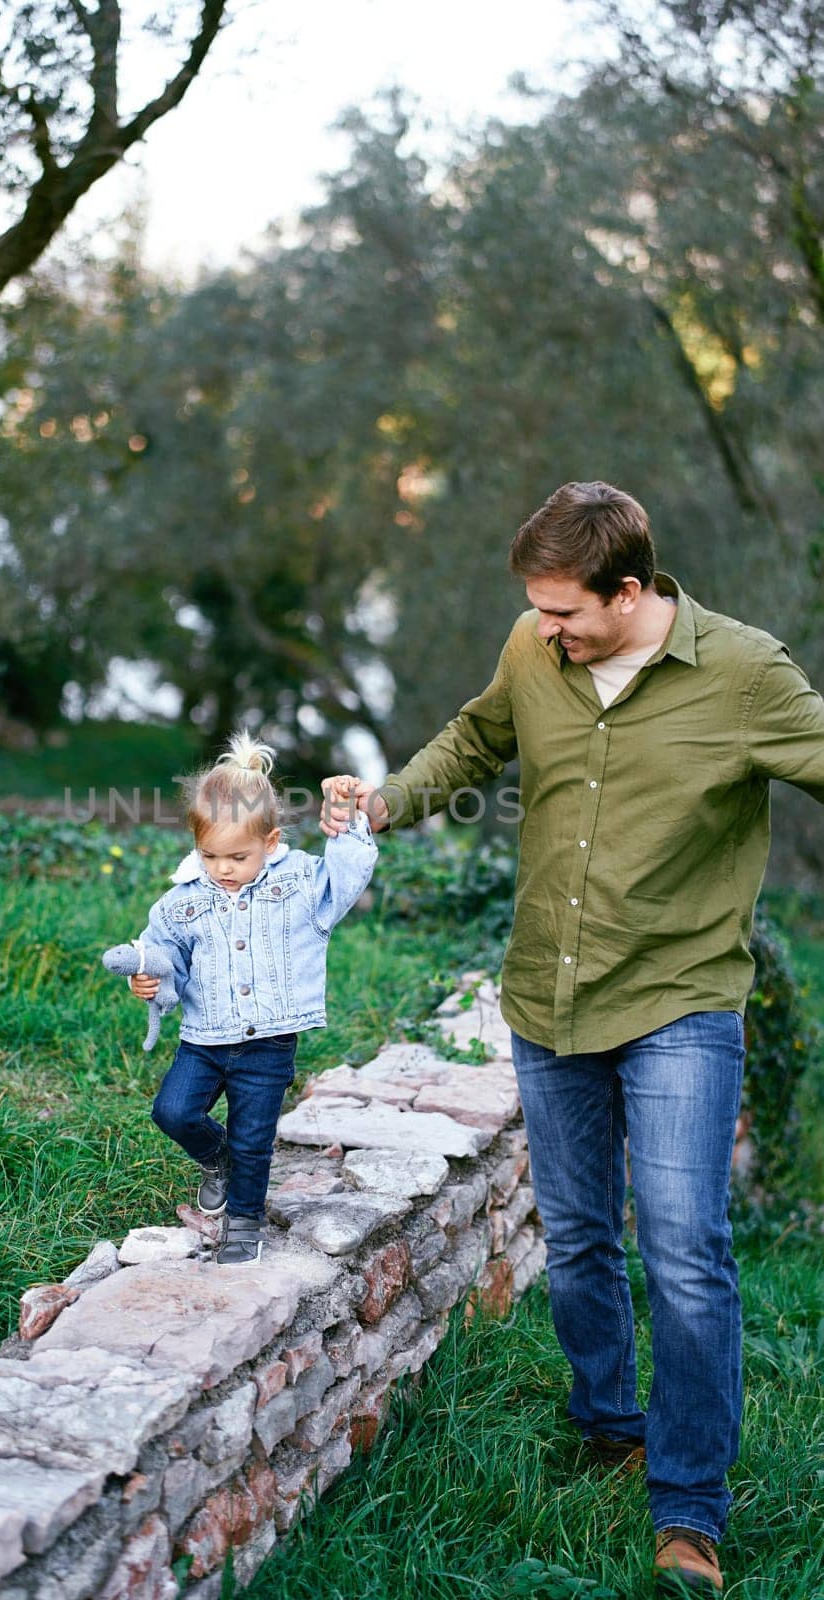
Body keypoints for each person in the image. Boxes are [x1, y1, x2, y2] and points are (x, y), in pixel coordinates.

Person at [321, 481, 824, 1596]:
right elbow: (474, 736)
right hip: (548, 999)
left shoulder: (744, 676)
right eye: (537, 612)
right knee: (582, 1238)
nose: (543, 632)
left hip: (680, 1001)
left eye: (562, 613)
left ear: (629, 591)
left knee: (684, 1251)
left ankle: (687, 1507)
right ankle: (609, 1423)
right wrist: (387, 802)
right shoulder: (531, 644)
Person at [125, 730, 376, 1265]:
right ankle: (217, 1158)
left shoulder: (301, 884)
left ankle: (244, 1221)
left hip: (268, 1041)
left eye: (237, 856)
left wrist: (345, 816)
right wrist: (147, 977)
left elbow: (347, 876)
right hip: (204, 1036)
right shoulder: (184, 899)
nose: (222, 868)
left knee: (255, 1135)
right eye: (209, 855)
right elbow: (160, 951)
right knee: (172, 1110)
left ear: (270, 840)